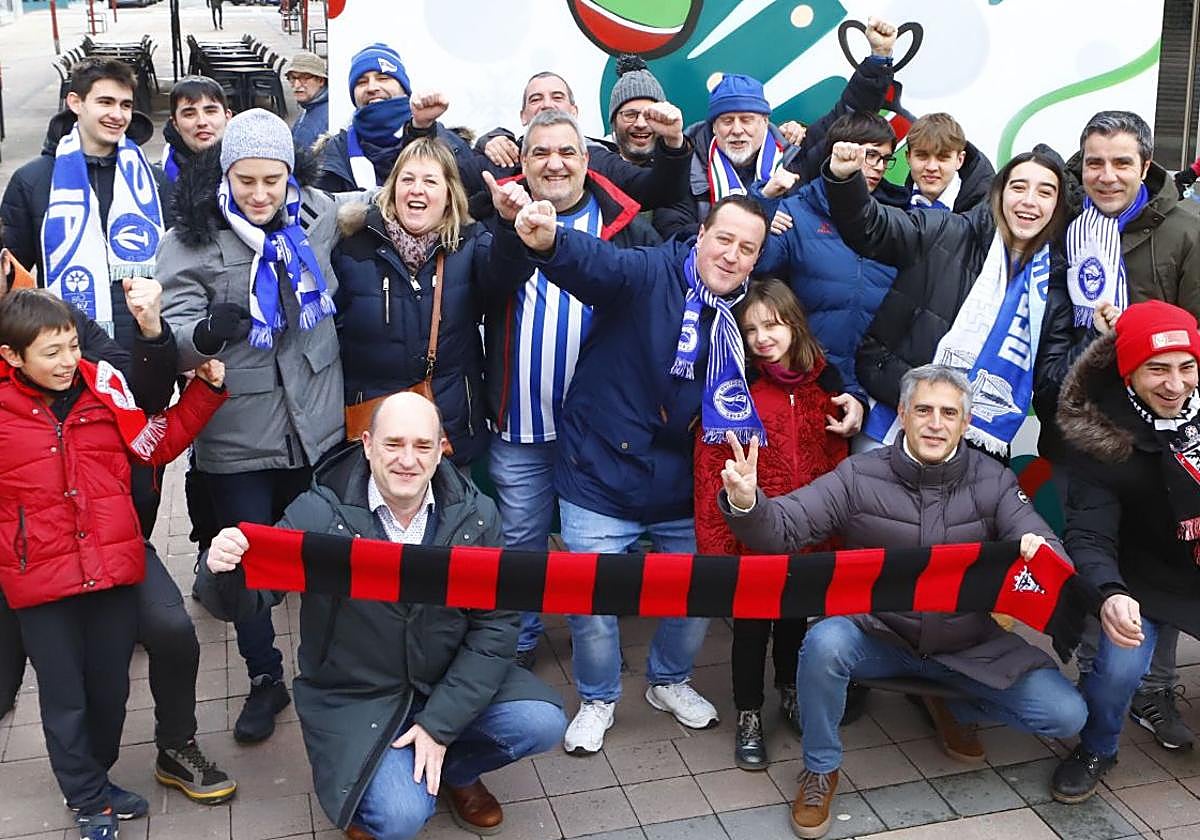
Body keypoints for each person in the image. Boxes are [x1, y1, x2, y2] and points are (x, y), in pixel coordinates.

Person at [719, 364, 1088, 839]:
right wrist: (749, 504)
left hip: (967, 645)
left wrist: (1044, 552)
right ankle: (819, 769)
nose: (936, 423)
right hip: (879, 635)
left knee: (1066, 714)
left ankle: (951, 707)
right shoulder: (857, 474)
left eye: (949, 413)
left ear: (966, 422)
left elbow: (1038, 537)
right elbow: (785, 528)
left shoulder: (993, 480)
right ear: (904, 415)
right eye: (925, 410)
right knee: (824, 643)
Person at [201, 392, 565, 839]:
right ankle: (374, 793)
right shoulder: (319, 514)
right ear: (367, 444)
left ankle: (453, 769)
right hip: (358, 696)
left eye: (421, 446)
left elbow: (496, 624)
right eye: (393, 444)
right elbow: (243, 600)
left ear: (440, 449)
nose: (407, 460)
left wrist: (439, 725)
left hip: (442, 679)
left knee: (542, 720)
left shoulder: (476, 516)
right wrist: (220, 569)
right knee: (400, 818)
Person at [504, 191, 772, 753]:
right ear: (700, 236)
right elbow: (596, 265)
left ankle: (668, 680)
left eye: (747, 249)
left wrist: (843, 397)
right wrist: (549, 240)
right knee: (594, 600)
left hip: (688, 480)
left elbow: (796, 354)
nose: (731, 256)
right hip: (601, 466)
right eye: (724, 239)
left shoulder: (752, 310)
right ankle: (599, 697)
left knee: (698, 592)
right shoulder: (648, 270)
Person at [0, 289, 228, 839]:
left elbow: (155, 444)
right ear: (12, 357)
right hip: (42, 579)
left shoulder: (102, 390)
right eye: (50, 352)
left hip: (111, 565)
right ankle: (86, 800)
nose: (66, 361)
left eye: (72, 346)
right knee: (64, 698)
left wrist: (203, 394)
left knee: (109, 690)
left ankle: (96, 779)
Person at [159, 109, 346, 746]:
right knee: (249, 564)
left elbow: (386, 198)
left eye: (273, 180)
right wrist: (206, 331)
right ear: (225, 173)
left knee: (321, 556)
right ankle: (265, 676)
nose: (261, 195)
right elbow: (171, 331)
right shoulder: (191, 237)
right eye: (247, 181)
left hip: (314, 426)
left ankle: (330, 669)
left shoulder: (316, 214)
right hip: (238, 432)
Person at [478, 109, 663, 668]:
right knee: (521, 543)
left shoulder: (627, 226)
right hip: (522, 426)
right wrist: (512, 233)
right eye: (540, 153)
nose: (554, 163)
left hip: (603, 434)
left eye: (566, 152)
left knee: (601, 551)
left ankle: (601, 645)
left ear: (586, 161)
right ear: (524, 164)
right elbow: (487, 286)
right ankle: (523, 640)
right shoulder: (495, 220)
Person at [1063, 111, 1200, 750]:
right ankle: (1103, 683)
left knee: (1167, 548)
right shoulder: (1071, 225)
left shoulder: (1184, 232)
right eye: (1095, 162)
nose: (1107, 175)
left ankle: (1153, 685)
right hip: (1096, 424)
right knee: (1100, 546)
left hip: (1167, 423)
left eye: (1121, 162)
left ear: (1145, 165)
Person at [826, 143, 1079, 459]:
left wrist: (1100, 336)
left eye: (1045, 192)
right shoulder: (949, 230)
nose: (1029, 201)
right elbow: (873, 228)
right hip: (892, 418)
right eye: (1018, 187)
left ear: (1057, 205)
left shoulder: (1053, 286)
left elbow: (1052, 382)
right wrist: (845, 179)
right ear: (998, 194)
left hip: (975, 445)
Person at [692, 278, 850, 770]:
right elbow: (708, 475)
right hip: (751, 541)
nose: (763, 337)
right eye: (751, 328)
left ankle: (788, 688)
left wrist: (834, 538)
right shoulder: (735, 393)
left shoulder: (825, 387)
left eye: (773, 324)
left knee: (794, 622)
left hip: (806, 537)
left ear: (794, 324)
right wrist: (719, 550)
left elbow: (837, 467)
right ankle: (748, 712)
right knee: (751, 628)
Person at [1051, 300, 1200, 801]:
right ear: (1129, 370)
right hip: (1137, 576)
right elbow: (1089, 535)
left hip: (1195, 565)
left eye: (1186, 367)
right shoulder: (1101, 433)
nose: (1175, 386)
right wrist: (1110, 593)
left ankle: (1157, 701)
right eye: (1157, 369)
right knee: (1115, 672)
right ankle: (1097, 745)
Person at [333, 136, 531, 466]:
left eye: (430, 181)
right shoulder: (354, 246)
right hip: (374, 430)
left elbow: (503, 278)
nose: (417, 190)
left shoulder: (470, 242)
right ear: (392, 188)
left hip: (449, 428)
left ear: (449, 194)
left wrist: (509, 226)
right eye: (407, 179)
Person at [652, 17, 901, 240]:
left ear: (764, 121)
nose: (737, 130)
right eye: (727, 121)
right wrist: (758, 217)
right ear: (713, 127)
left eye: (747, 119)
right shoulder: (686, 167)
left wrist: (879, 57)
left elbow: (848, 116)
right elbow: (672, 233)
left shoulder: (795, 155)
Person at [751, 112, 902, 428]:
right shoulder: (795, 211)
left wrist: (856, 393)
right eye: (869, 154)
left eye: (884, 159)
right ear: (838, 151)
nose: (876, 166)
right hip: (799, 389)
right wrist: (763, 210)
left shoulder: (892, 223)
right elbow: (755, 269)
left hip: (866, 398)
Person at [468, 69, 692, 212]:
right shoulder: (501, 154)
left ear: (574, 111)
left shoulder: (598, 157)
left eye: (557, 97)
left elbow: (658, 190)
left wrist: (673, 142)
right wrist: (434, 128)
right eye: (536, 99)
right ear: (523, 116)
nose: (547, 105)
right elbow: (454, 171)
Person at [317, 43, 471, 193]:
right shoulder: (332, 153)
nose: (372, 88)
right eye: (361, 82)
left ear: (404, 89)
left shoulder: (450, 145)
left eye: (383, 78)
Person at [158, 76, 233, 227]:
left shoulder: (249, 167)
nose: (202, 122)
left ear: (227, 117)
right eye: (189, 114)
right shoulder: (158, 181)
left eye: (210, 111)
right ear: (176, 124)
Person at [904, 112, 995, 212]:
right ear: (908, 158)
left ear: (960, 160)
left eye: (942, 158)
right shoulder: (895, 204)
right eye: (922, 156)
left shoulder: (987, 212)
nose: (931, 167)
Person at [284, 51, 329, 152]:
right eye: (293, 78)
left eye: (304, 78)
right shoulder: (310, 106)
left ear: (321, 81)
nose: (296, 85)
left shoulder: (328, 115)